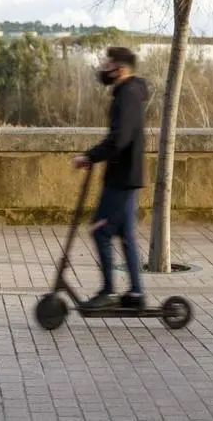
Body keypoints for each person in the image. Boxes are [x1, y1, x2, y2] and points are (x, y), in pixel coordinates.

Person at [72, 46, 149, 310]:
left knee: (100, 231)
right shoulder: (130, 93)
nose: (104, 68)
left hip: (121, 178)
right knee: (126, 235)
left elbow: (120, 139)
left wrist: (89, 157)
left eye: (108, 64)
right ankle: (137, 293)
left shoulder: (127, 95)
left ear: (121, 68)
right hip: (127, 176)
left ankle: (108, 291)